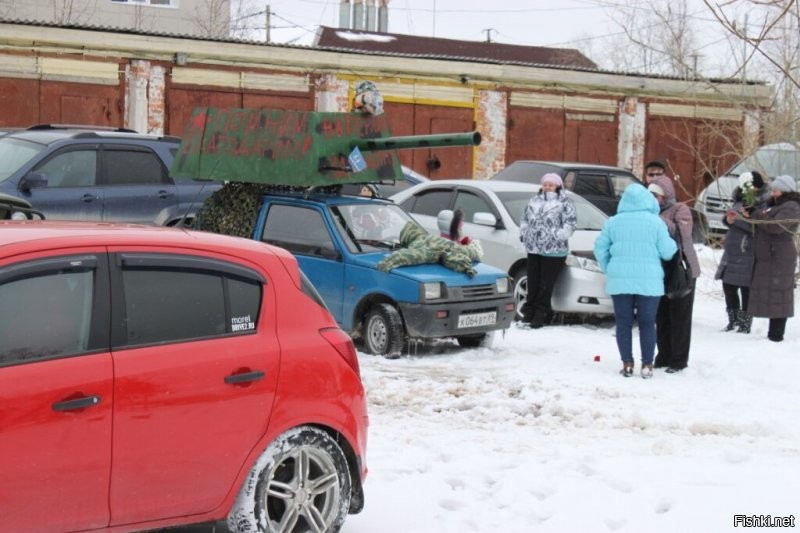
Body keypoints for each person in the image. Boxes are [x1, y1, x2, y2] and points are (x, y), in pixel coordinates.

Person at [594, 183, 677, 378]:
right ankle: (647, 364)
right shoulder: (656, 223)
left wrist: (611, 268)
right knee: (647, 323)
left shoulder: (613, 222)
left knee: (623, 323)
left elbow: (599, 249)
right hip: (649, 281)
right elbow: (667, 252)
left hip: (619, 281)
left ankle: (627, 363)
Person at [647, 175, 701, 373]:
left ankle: (678, 360)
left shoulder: (680, 209)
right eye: (650, 195)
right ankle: (663, 355)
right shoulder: (649, 212)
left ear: (665, 195)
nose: (653, 199)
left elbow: (682, 232)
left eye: (656, 195)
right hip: (660, 270)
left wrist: (658, 221)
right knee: (661, 317)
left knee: (680, 317)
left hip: (682, 270)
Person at [744, 174, 800, 342]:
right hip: (771, 256)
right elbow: (764, 221)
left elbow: (775, 227)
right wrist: (750, 213)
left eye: (776, 190)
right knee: (771, 294)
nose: (772, 193)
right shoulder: (774, 205)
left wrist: (756, 215)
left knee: (779, 295)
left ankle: (776, 335)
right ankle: (772, 334)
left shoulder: (791, 206)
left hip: (780, 256)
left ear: (785, 191)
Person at [713, 171, 769, 333]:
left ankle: (745, 322)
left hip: (748, 249)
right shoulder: (740, 198)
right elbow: (732, 215)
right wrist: (728, 219)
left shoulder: (764, 203)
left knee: (746, 288)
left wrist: (737, 220)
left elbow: (758, 226)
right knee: (728, 285)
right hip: (732, 249)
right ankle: (733, 319)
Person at [519, 173, 577, 328]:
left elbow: (570, 223)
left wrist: (558, 235)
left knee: (546, 283)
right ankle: (529, 311)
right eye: (545, 184)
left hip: (554, 250)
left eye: (551, 185)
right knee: (533, 281)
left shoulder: (565, 202)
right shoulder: (534, 200)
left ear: (558, 186)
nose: (547, 187)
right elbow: (524, 218)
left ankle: (541, 313)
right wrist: (524, 233)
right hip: (533, 248)